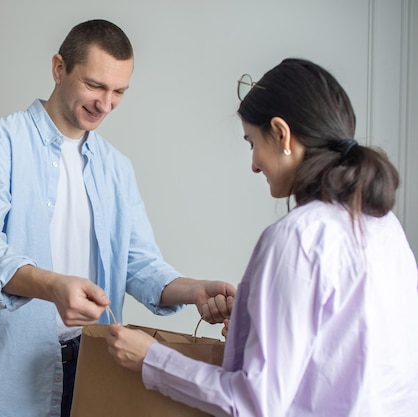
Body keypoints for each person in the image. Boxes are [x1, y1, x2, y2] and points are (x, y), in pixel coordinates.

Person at [0, 19, 235, 417]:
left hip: (92, 365)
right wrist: (52, 286)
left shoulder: (116, 167)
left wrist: (194, 290)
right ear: (59, 68)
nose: (106, 103)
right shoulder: (0, 143)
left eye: (119, 91)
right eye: (95, 85)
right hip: (5, 372)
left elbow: (138, 262)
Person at [107, 58, 418, 416]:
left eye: (251, 142)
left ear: (281, 133)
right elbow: (344, 351)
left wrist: (151, 359)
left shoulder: (296, 237)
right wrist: (252, 321)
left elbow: (255, 403)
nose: (254, 163)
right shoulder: (385, 227)